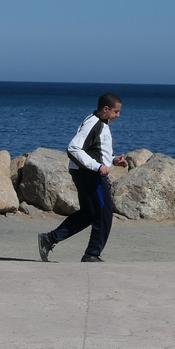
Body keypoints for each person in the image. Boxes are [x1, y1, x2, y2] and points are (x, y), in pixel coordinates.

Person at [38, 93, 128, 263]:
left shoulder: (101, 123)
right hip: (89, 174)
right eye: (116, 112)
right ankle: (92, 254)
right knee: (103, 213)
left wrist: (113, 160)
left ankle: (49, 239)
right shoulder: (93, 124)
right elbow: (73, 148)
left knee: (89, 213)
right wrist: (98, 167)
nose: (118, 115)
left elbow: (95, 149)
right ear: (106, 109)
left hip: (87, 172)